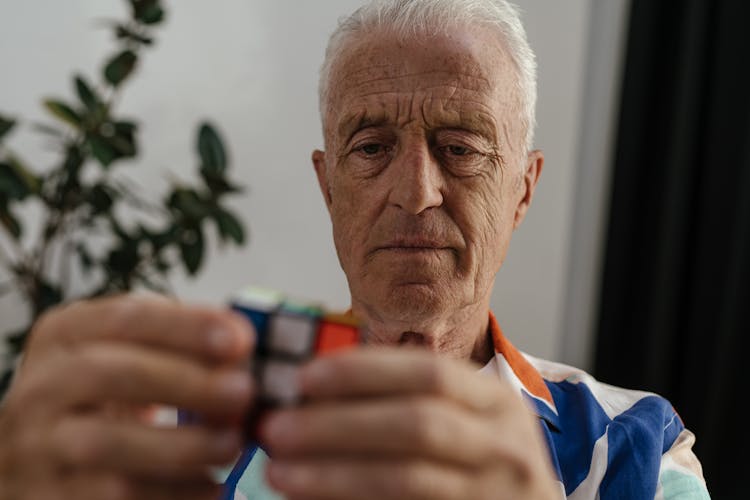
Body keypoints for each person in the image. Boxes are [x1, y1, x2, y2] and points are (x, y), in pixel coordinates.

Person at [0, 0, 710, 498]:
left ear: (522, 190)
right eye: (371, 147)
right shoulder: (175, 435)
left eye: (459, 148)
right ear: (329, 186)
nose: (415, 191)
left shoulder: (635, 451)